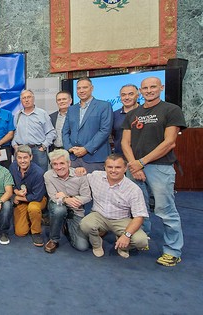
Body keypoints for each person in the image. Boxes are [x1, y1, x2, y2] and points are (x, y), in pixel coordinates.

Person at [122, 77, 186, 267]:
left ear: (161, 87)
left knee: (165, 210)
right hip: (134, 167)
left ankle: (172, 251)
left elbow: (169, 142)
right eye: (145, 88)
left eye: (153, 87)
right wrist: (134, 164)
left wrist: (141, 162)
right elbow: (125, 142)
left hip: (160, 167)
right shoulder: (133, 114)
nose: (149, 90)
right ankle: (141, 240)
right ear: (140, 91)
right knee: (135, 208)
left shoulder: (171, 110)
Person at [80, 154, 149, 259]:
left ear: (125, 168)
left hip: (121, 219)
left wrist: (126, 235)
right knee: (85, 224)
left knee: (141, 241)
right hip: (99, 215)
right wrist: (79, 171)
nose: (113, 170)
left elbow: (139, 216)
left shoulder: (133, 189)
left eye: (118, 167)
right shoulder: (96, 176)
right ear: (105, 167)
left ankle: (123, 246)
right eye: (110, 167)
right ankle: (97, 244)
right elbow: (79, 176)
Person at [43, 149, 90, 253]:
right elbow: (53, 196)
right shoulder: (48, 175)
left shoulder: (80, 175)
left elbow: (87, 197)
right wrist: (65, 199)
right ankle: (53, 239)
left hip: (76, 209)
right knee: (59, 210)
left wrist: (70, 199)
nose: (59, 167)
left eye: (62, 163)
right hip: (57, 205)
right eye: (55, 164)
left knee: (82, 246)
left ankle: (66, 225)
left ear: (69, 163)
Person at [62, 77, 113, 173]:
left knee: (95, 187)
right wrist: (69, 148)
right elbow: (65, 131)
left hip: (94, 158)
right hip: (73, 158)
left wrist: (86, 149)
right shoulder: (72, 109)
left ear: (92, 88)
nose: (81, 91)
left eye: (84, 87)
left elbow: (105, 130)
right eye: (78, 88)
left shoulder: (104, 106)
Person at [9, 145, 47, 246]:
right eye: (19, 158)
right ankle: (34, 218)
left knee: (33, 208)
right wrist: (15, 192)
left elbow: (37, 197)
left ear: (31, 157)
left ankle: (36, 232)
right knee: (20, 232)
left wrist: (17, 197)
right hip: (22, 200)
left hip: (37, 200)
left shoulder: (38, 172)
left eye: (25, 157)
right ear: (16, 158)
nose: (22, 161)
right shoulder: (12, 167)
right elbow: (9, 184)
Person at [11, 90, 56, 171]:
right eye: (24, 98)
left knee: (41, 175)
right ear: (21, 101)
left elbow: (51, 132)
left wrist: (44, 146)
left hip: (38, 150)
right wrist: (15, 145)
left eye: (29, 97)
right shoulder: (18, 115)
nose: (26, 100)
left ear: (33, 99)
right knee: (21, 176)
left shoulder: (42, 114)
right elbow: (14, 132)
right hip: (21, 150)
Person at [112, 84, 139, 154]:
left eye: (131, 94)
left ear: (138, 96)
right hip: (120, 158)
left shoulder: (146, 113)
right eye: (123, 95)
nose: (127, 97)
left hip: (142, 159)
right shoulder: (114, 115)